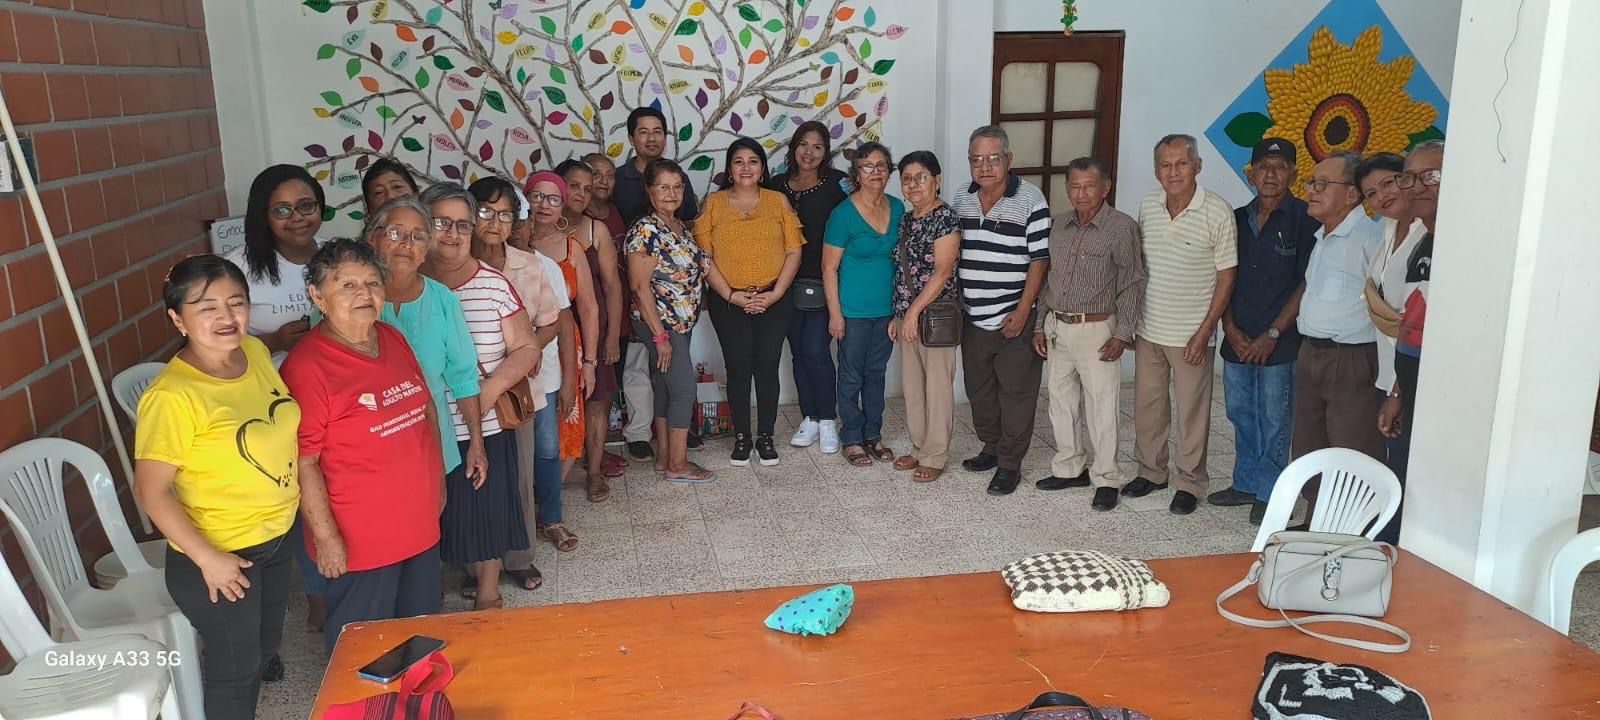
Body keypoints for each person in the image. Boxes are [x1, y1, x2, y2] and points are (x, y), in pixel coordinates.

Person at [133, 255, 299, 719]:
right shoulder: (172, 396)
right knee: (236, 670)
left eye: (236, 302)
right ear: (177, 319)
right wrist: (208, 559)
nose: (226, 317)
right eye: (207, 307)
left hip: (276, 535)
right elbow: (150, 491)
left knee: (264, 649)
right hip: (220, 554)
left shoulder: (256, 354)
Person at [279, 240, 446, 652]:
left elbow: (426, 411)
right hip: (361, 540)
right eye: (347, 285)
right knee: (366, 647)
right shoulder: (307, 366)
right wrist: (326, 538)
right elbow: (303, 461)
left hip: (418, 523)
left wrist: (438, 485)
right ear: (318, 296)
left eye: (372, 283)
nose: (363, 294)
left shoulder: (391, 338)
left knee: (422, 631)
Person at [418, 182, 541, 609]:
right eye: (440, 223)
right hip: (419, 430)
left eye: (462, 225)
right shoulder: (402, 286)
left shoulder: (493, 285)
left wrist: (488, 390)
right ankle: (425, 596)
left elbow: (527, 348)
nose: (452, 234)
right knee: (427, 517)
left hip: (483, 424)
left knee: (485, 513)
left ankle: (488, 596)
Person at [223, 164, 327, 647]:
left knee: (332, 489)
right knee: (302, 493)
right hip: (269, 405)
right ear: (263, 216)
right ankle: (318, 594)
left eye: (305, 206)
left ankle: (338, 579)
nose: (296, 218)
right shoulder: (239, 268)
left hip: (329, 394)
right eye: (282, 210)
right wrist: (274, 340)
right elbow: (216, 342)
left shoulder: (334, 256)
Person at [1128, 133, 1238, 515]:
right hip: (1149, 328)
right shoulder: (1148, 206)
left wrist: (1205, 331)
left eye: (1182, 164)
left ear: (1198, 166)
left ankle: (1189, 482)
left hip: (1192, 334)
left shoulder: (1217, 211)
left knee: (1192, 411)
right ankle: (1151, 472)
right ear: (1156, 170)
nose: (1173, 172)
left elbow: (1227, 277)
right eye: (1165, 165)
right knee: (1148, 407)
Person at [1031, 156, 1145, 511]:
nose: (1081, 194)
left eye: (1089, 186)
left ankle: (1107, 477)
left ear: (1105, 188)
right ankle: (1070, 468)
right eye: (1075, 187)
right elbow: (1049, 280)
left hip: (1097, 329)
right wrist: (1039, 325)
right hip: (1058, 326)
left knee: (1101, 406)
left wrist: (1122, 334)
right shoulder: (1059, 225)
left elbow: (1132, 282)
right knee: (1060, 402)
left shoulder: (1121, 227)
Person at [1210, 139, 1315, 524]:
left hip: (1280, 342)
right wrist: (1229, 326)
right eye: (1263, 167)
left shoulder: (1306, 220)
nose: (1271, 174)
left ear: (1294, 174)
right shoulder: (1235, 219)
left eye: (1280, 167)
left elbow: (1306, 284)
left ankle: (1270, 491)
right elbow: (1223, 276)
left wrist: (1273, 333)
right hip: (1237, 337)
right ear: (1250, 174)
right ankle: (1245, 482)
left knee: (1275, 419)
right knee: (1240, 412)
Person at [356, 196, 487, 499]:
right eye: (395, 233)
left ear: (426, 249)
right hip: (365, 452)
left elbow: (463, 378)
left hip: (432, 446)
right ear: (373, 238)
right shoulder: (346, 301)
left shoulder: (443, 300)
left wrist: (477, 444)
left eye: (418, 237)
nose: (406, 243)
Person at [952, 126, 1050, 496]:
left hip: (1014, 317)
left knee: (1017, 394)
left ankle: (1010, 464)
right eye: (977, 159)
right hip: (973, 317)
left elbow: (1039, 260)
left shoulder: (1030, 199)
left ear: (1008, 159)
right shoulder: (962, 197)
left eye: (993, 158)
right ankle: (991, 448)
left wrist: (1024, 310)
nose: (985, 166)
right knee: (980, 391)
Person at [627, 159, 739, 482]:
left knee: (666, 387)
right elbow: (639, 287)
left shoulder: (679, 226)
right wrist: (660, 337)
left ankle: (665, 458)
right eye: (663, 187)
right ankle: (678, 465)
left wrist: (734, 296)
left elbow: (704, 267)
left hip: (680, 323)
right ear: (649, 190)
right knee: (684, 390)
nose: (671, 193)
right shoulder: (646, 230)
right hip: (661, 324)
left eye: (677, 187)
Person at [696, 137, 804, 466]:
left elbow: (793, 251)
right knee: (738, 367)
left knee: (767, 366)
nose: (746, 167)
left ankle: (766, 436)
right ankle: (742, 437)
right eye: (739, 161)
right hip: (728, 301)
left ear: (762, 168)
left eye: (753, 161)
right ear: (729, 169)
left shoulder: (778, 201)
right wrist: (731, 295)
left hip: (774, 298)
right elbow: (704, 257)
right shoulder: (713, 203)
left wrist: (775, 294)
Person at [1294, 152, 1387, 470]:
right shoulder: (1321, 237)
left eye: (1322, 184)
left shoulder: (1370, 239)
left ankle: (1351, 506)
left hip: (1350, 361)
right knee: (1309, 449)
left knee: (1351, 453)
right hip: (1311, 354)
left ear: (1351, 194)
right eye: (1311, 183)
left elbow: (1388, 307)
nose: (1312, 191)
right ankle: (1314, 503)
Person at [1376, 140, 1445, 544]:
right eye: (1410, 177)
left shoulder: (1465, 245)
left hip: (1444, 401)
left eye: (1431, 176)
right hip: (1411, 388)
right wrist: (1398, 392)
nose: (1418, 186)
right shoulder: (1423, 244)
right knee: (1402, 479)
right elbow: (1410, 325)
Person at [770, 121, 850, 454]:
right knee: (798, 352)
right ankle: (810, 418)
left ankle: (828, 418)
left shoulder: (837, 184)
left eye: (817, 147)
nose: (809, 152)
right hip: (784, 283)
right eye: (804, 144)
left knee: (816, 350)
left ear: (826, 152)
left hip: (825, 280)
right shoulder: (776, 185)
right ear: (794, 147)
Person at [824, 142, 904, 468]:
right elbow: (829, 268)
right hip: (853, 312)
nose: (875, 172)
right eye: (867, 166)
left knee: (876, 374)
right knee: (851, 376)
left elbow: (902, 262)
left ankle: (873, 434)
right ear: (856, 173)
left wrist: (900, 311)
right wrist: (835, 314)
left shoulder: (898, 207)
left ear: (889, 172)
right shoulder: (842, 214)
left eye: (881, 165)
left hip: (886, 310)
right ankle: (852, 437)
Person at [887, 150, 961, 481]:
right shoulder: (906, 219)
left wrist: (913, 312)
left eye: (921, 177)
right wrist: (898, 314)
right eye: (907, 179)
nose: (913, 184)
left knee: (937, 387)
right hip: (907, 316)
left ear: (937, 180)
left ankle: (935, 454)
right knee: (913, 386)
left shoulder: (946, 218)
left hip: (935, 317)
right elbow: (902, 272)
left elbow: (942, 272)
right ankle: (919, 447)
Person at [556, 160, 627, 486]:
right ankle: (553, 476)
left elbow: (613, 287)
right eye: (574, 186)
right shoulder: (537, 230)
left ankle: (594, 471)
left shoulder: (596, 230)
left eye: (587, 188)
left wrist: (612, 337)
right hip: (553, 333)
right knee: (558, 403)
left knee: (597, 403)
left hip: (594, 330)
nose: (581, 194)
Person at [1357, 151, 1426, 478]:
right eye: (1371, 193)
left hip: (1412, 374)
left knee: (1410, 467)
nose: (1381, 196)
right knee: (1394, 462)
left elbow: (1420, 322)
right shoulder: (1387, 230)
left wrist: (1398, 390)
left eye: (1388, 183)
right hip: (1388, 369)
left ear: (1407, 180)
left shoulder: (1427, 236)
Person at [585, 152, 656, 464]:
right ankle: (590, 452)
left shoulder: (615, 211)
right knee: (595, 384)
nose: (603, 181)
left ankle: (622, 438)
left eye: (609, 175)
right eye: (596, 174)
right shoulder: (580, 217)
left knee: (621, 375)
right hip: (592, 313)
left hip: (624, 306)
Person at [614, 106, 702, 226]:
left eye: (657, 132)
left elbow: (689, 221)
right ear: (631, 139)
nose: (651, 138)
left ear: (665, 138)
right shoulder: (616, 178)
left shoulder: (678, 177)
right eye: (644, 132)